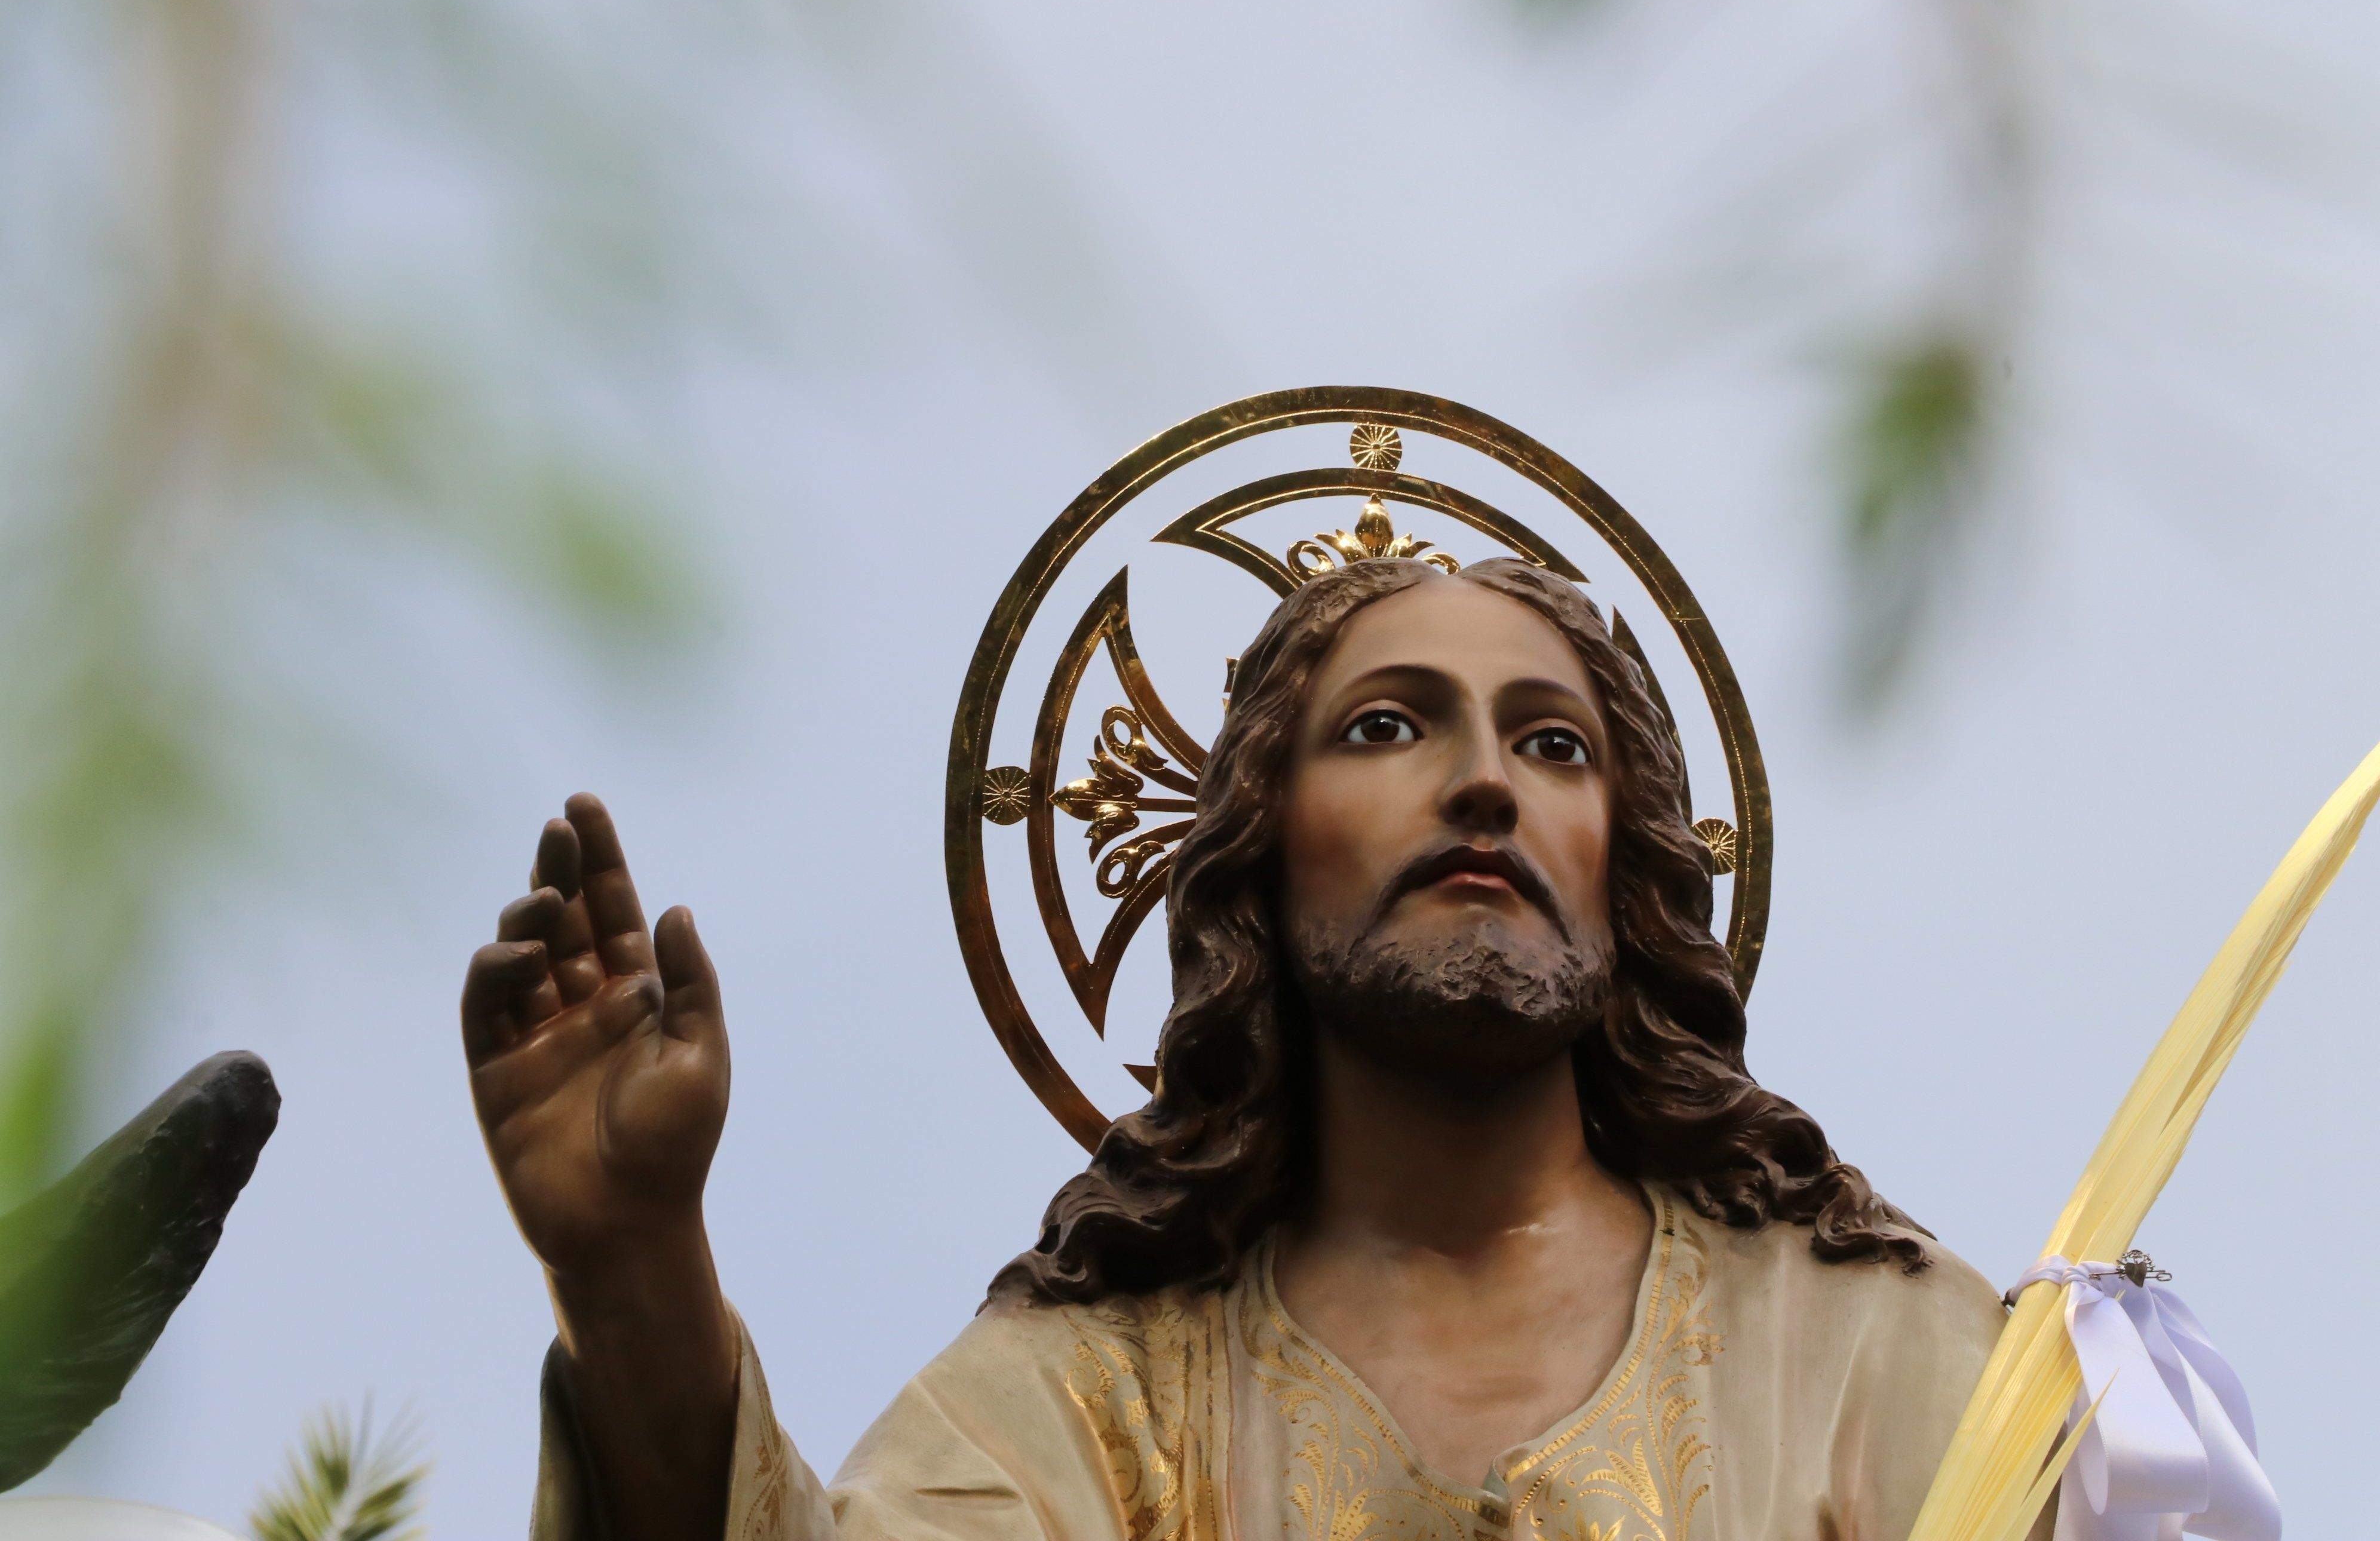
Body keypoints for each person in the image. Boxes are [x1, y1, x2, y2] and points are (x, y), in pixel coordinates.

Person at [461, 556, 2022, 1541]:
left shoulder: (1870, 1345)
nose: (1485, 783)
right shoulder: (1094, 1397)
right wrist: (632, 1264)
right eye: (1388, 727)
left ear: (1630, 861)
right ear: (1259, 868)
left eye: (1553, 744)